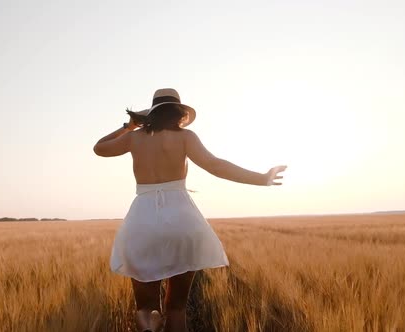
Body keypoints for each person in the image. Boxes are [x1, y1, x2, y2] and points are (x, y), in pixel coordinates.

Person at [93, 88, 286, 332]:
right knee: (177, 308)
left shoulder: (134, 138)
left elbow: (99, 148)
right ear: (179, 112)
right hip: (183, 221)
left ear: (151, 113)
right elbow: (215, 166)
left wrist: (128, 126)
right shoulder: (186, 137)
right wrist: (261, 178)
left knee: (146, 309)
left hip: (142, 222)